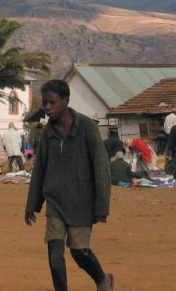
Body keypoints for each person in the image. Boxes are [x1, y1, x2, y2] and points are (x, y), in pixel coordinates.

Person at [25, 79, 113, 291]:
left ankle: (102, 279)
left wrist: (102, 207)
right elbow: (40, 169)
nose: (46, 107)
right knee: (54, 254)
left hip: (82, 203)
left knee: (78, 251)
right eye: (44, 103)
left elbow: (102, 169)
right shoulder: (47, 132)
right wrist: (32, 204)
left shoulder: (87, 128)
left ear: (65, 101)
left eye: (51, 102)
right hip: (55, 201)